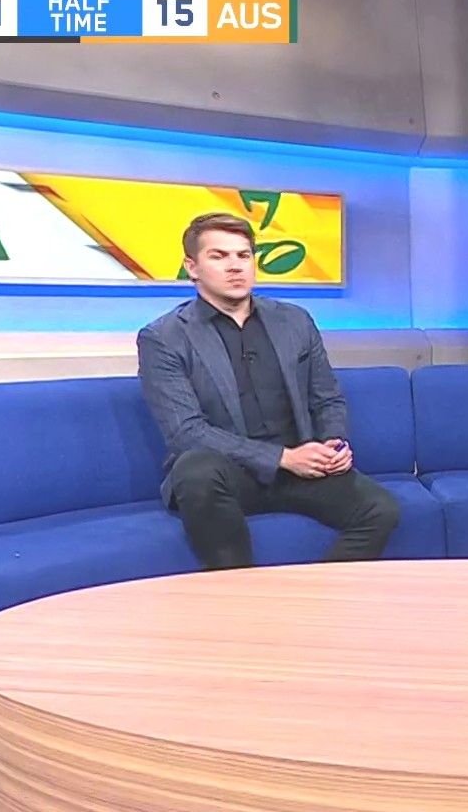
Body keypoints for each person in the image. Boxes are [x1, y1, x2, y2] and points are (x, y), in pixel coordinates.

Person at [137, 212, 399, 570]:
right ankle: (240, 595)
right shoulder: (164, 338)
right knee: (195, 471)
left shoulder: (294, 321)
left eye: (243, 255)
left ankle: (320, 594)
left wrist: (333, 444)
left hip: (299, 470)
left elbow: (326, 397)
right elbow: (187, 431)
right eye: (219, 256)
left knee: (381, 509)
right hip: (228, 473)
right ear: (192, 267)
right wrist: (282, 458)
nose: (235, 266)